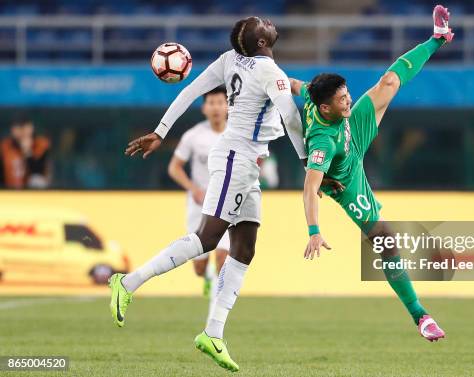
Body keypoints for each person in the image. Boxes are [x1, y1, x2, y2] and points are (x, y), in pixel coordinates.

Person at [108, 16, 306, 372]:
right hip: (236, 157)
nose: (268, 22)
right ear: (262, 42)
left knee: (244, 249)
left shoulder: (229, 59)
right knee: (207, 239)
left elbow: (189, 91)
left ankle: (213, 334)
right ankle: (128, 282)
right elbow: (291, 118)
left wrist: (161, 130)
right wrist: (308, 162)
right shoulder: (269, 70)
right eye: (262, 25)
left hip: (247, 160)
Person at [292, 5, 453, 342]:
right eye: (341, 98)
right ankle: (420, 316)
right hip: (346, 176)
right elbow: (310, 186)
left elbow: (293, 85)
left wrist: (277, 82)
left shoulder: (317, 98)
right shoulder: (323, 142)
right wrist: (314, 230)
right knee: (385, 238)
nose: (348, 97)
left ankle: (436, 39)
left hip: (353, 128)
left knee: (389, 80)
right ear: (326, 108)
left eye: (346, 92)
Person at [167, 86, 230, 320]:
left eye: (220, 102)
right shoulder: (193, 136)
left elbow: (256, 160)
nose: (216, 108)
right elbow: (174, 168)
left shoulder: (236, 133)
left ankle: (216, 312)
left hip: (226, 203)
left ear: (228, 106)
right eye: (211, 103)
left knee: (223, 256)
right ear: (204, 108)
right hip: (199, 205)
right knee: (199, 266)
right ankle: (206, 277)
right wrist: (193, 189)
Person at [0, 117, 51, 189]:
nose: (22, 131)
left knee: (37, 180)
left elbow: (38, 173)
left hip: (32, 195)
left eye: (24, 127)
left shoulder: (40, 144)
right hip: (9, 192)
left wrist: (27, 152)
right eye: (18, 127)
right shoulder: (5, 147)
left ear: (31, 128)